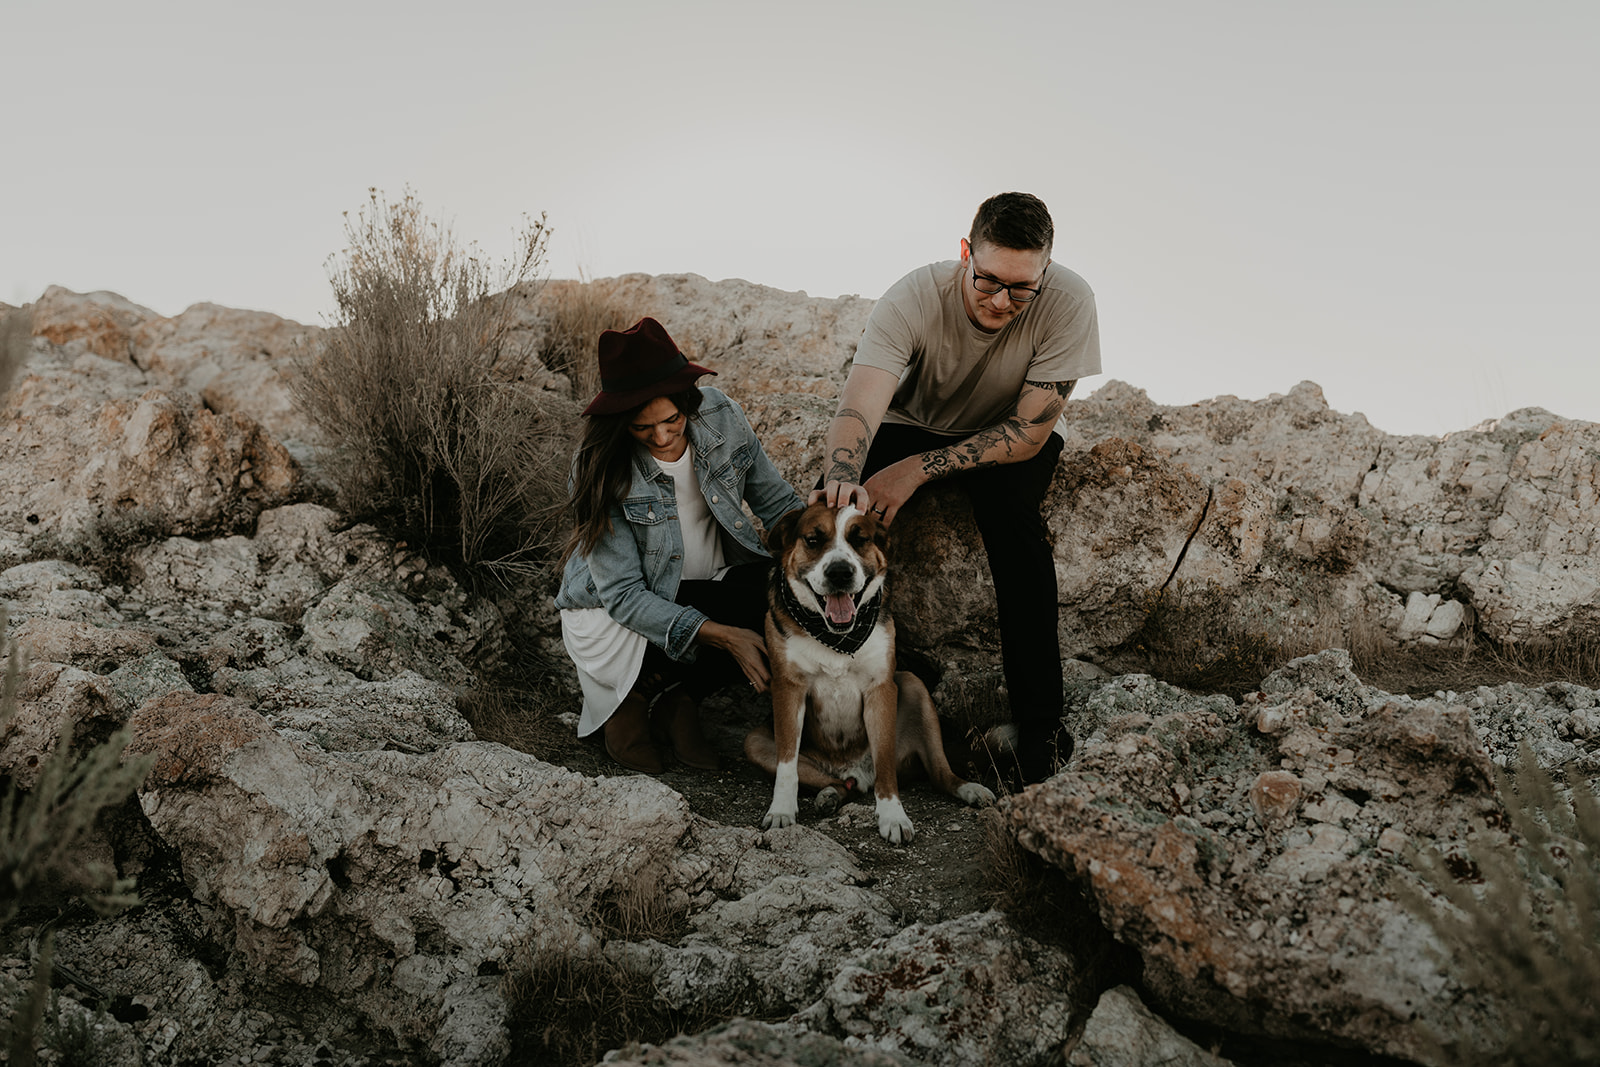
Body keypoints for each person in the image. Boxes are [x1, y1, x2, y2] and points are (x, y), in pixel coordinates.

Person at [813, 192, 1101, 785]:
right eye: (988, 279)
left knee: (1013, 522)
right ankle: (827, 717)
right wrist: (843, 478)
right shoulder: (913, 297)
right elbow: (860, 409)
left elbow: (1027, 433)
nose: (1002, 301)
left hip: (1010, 433)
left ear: (1046, 270)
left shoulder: (1071, 302)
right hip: (911, 420)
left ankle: (1040, 731)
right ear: (965, 252)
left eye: (1023, 288)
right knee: (836, 520)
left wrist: (919, 469)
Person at [555, 316, 803, 774]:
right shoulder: (599, 465)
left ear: (689, 401)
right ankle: (634, 698)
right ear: (618, 423)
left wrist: (831, 547)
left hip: (705, 585)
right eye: (641, 428)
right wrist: (726, 637)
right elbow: (625, 597)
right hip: (616, 617)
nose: (663, 437)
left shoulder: (721, 416)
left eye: (672, 419)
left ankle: (678, 700)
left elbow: (778, 505)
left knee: (783, 593)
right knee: (734, 622)